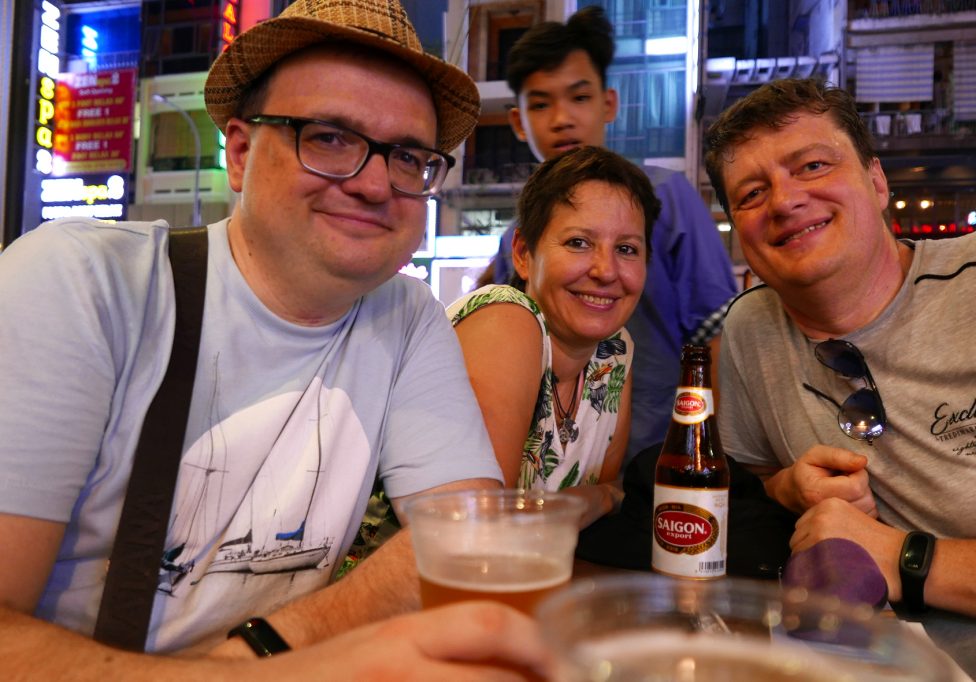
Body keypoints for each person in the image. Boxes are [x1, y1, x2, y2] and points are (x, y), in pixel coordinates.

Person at [0, 0, 551, 676]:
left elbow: (470, 541)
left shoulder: (405, 314)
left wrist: (258, 656)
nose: (375, 183)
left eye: (408, 157)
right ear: (239, 153)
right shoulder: (84, 281)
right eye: (329, 137)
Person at [705, 77, 976, 627]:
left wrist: (902, 559)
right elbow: (748, 483)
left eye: (812, 166)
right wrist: (787, 487)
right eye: (752, 194)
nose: (784, 201)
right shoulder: (749, 329)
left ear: (876, 181)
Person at [491, 6, 738, 461]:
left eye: (579, 97)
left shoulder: (665, 199)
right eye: (541, 104)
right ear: (518, 122)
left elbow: (716, 334)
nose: (562, 118)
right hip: (552, 465)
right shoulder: (516, 238)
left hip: (658, 452)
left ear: (608, 104)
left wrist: (704, 453)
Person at [447, 146, 660, 527]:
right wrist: (600, 498)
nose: (606, 271)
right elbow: (479, 526)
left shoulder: (614, 352)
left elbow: (602, 500)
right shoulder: (505, 320)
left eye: (627, 249)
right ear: (523, 254)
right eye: (579, 242)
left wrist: (603, 496)